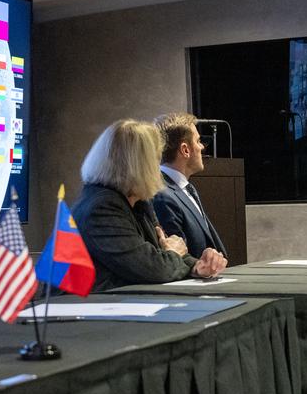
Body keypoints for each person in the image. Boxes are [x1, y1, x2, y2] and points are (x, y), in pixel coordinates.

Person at [72, 119, 227, 292]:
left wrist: (198, 266)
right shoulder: (101, 208)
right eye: (155, 158)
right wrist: (175, 253)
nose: (159, 167)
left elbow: (161, 251)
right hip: (82, 309)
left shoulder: (138, 201)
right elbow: (154, 268)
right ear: (138, 165)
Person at [151, 111, 227, 259]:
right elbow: (179, 255)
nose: (202, 147)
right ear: (185, 150)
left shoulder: (185, 188)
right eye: (198, 141)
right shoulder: (163, 195)